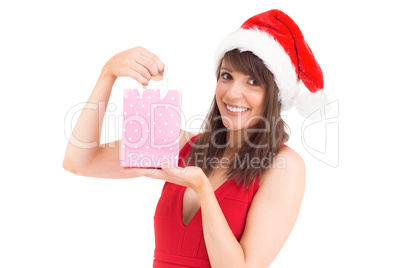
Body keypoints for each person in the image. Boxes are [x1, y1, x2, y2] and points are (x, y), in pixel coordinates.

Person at [63, 9, 328, 268]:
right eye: (227, 76)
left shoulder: (284, 167)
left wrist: (202, 188)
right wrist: (107, 75)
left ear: (275, 95)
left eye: (253, 82)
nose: (233, 93)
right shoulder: (181, 146)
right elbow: (80, 161)